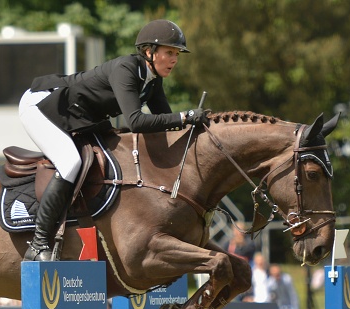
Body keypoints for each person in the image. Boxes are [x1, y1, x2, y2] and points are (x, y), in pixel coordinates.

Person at [17, 19, 209, 261]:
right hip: (43, 106)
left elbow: (164, 124)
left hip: (76, 116)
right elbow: (137, 121)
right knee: (70, 162)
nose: (174, 59)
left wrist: (194, 128)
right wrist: (185, 116)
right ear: (149, 51)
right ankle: (38, 243)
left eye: (177, 54)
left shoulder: (152, 81)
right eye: (169, 52)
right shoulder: (126, 69)